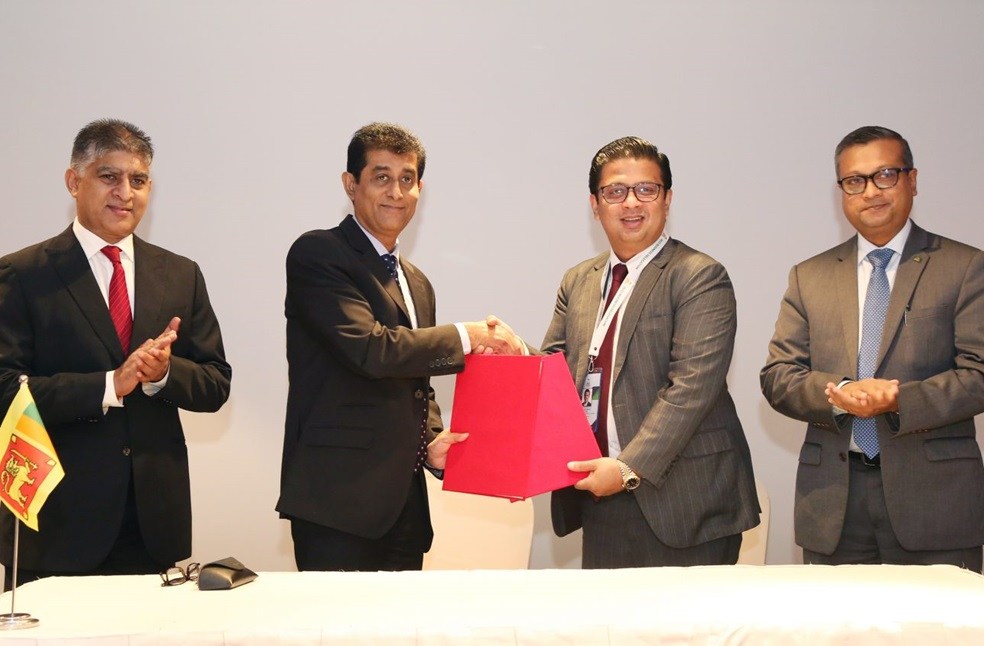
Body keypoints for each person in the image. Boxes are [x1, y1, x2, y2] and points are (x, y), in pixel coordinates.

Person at [277, 122, 522, 572]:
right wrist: (468, 336)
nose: (396, 191)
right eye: (381, 177)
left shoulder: (417, 282)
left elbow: (414, 382)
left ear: (420, 189)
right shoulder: (319, 253)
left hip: (404, 509)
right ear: (351, 185)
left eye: (407, 179)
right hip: (336, 506)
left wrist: (430, 443)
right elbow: (372, 351)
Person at [0, 119, 232, 590]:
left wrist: (164, 374)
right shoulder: (21, 274)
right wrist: (110, 385)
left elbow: (215, 383)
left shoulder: (180, 274)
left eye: (138, 180)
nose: (125, 193)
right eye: (109, 176)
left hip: (152, 527)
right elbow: (6, 390)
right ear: (74, 181)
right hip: (56, 522)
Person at [761, 125, 984, 571]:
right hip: (833, 501)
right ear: (841, 191)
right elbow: (778, 376)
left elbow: (978, 374)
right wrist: (840, 391)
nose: (870, 192)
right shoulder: (810, 276)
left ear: (912, 180)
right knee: (835, 617)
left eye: (885, 175)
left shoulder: (965, 266)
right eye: (854, 181)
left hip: (935, 500)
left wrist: (900, 399)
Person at [536, 136, 759, 567]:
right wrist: (513, 352)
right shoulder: (579, 280)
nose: (631, 203)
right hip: (601, 494)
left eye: (646, 189)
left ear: (667, 199)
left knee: (687, 615)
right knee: (609, 612)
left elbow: (691, 388)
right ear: (595, 204)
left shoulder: (699, 276)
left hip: (684, 501)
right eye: (615, 191)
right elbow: (557, 372)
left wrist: (627, 469)